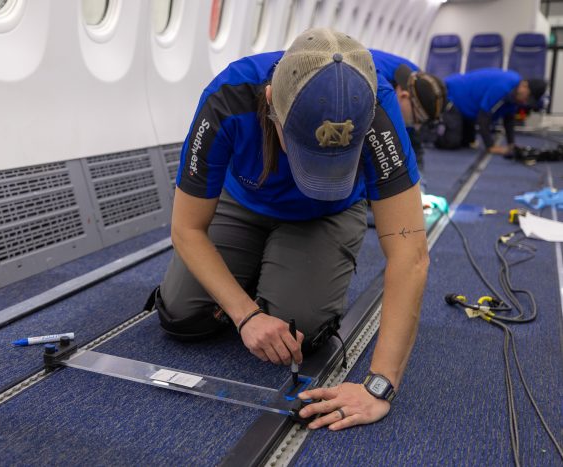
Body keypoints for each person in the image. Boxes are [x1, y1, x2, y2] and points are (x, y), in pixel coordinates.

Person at [149, 28, 429, 430]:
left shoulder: (378, 107)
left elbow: (410, 255)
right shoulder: (229, 95)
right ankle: (255, 281)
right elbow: (186, 229)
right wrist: (246, 315)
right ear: (270, 102)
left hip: (326, 214)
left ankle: (270, 280)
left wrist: (379, 385)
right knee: (181, 315)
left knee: (300, 330)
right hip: (243, 203)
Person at [370, 49, 447, 169]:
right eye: (417, 120)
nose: (417, 127)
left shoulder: (420, 82)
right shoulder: (374, 89)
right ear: (404, 95)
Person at [443, 68, 547, 154]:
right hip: (452, 96)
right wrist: (491, 147)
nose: (525, 102)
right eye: (527, 97)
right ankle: (434, 134)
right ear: (524, 85)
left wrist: (511, 144)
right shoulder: (503, 88)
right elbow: (483, 118)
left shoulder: (515, 93)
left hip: (467, 107)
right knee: (451, 142)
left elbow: (509, 119)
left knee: (466, 142)